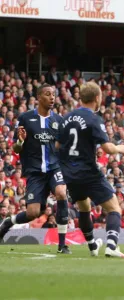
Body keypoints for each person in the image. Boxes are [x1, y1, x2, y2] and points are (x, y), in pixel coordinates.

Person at [58, 82, 124, 258]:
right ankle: (112, 245)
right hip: (88, 172)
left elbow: (57, 145)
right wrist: (122, 149)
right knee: (114, 208)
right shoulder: (93, 119)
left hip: (70, 174)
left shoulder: (66, 118)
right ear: (97, 98)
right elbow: (108, 149)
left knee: (84, 207)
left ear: (81, 97)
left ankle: (92, 246)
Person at [0, 84, 71, 254]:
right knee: (33, 213)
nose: (52, 98)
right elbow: (16, 149)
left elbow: (63, 146)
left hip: (54, 169)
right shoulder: (25, 118)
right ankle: (9, 222)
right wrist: (21, 141)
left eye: (53, 95)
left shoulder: (59, 121)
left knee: (61, 193)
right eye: (48, 94)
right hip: (35, 172)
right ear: (39, 97)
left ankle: (62, 245)